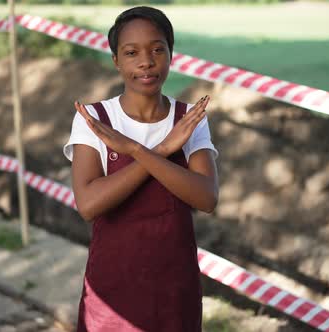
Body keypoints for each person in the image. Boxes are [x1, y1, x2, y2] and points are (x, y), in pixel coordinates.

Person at [63, 6, 219, 332]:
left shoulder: (188, 120)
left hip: (176, 292)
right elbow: (89, 204)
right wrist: (161, 150)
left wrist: (134, 151)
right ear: (116, 61)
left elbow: (206, 198)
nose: (146, 61)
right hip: (112, 294)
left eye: (157, 50)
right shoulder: (96, 120)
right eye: (131, 52)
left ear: (171, 55)